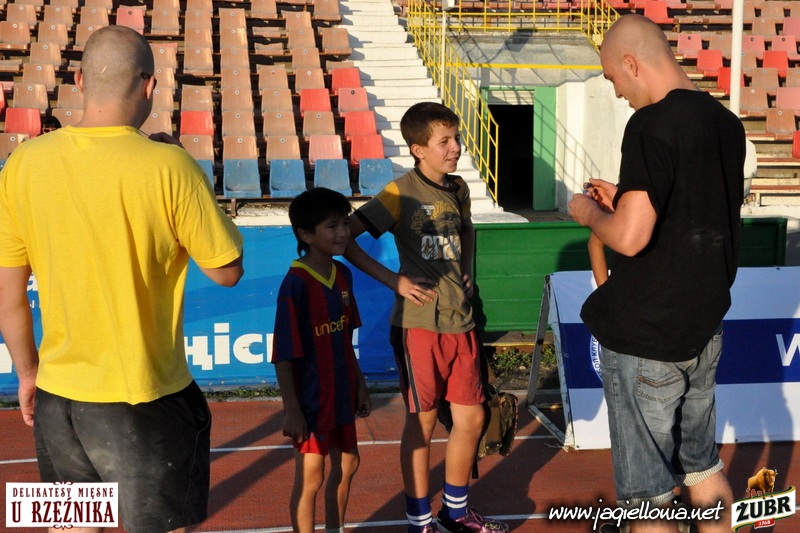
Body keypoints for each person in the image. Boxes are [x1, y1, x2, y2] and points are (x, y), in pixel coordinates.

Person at [0, 26, 244, 533]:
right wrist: (190, 171)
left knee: (71, 526)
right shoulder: (170, 165)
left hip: (58, 396)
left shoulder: (23, 163)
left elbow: (9, 295)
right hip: (144, 395)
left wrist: (27, 374)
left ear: (79, 80)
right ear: (150, 86)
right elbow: (227, 271)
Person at [569, 14, 745, 533]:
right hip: (703, 325)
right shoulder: (725, 122)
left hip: (648, 331)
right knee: (703, 467)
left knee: (647, 497)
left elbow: (629, 237)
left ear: (631, 63)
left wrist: (586, 211)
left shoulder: (650, 124)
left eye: (612, 77)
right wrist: (624, 198)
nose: (617, 92)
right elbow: (691, 210)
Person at [344, 102, 508, 533]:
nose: (456, 148)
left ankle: (455, 512)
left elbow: (468, 229)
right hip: (419, 325)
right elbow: (345, 238)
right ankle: (419, 520)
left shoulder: (459, 188)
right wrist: (394, 280)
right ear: (418, 149)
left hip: (461, 320)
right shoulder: (399, 192)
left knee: (473, 418)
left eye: (457, 138)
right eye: (445, 141)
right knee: (424, 421)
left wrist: (466, 268)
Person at [271, 187, 371, 533]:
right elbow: (283, 354)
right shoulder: (295, 284)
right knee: (311, 475)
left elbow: (345, 337)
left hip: (341, 392)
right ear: (306, 234)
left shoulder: (343, 275)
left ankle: (334, 528)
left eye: (345, 223)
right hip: (312, 400)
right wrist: (292, 409)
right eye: (332, 226)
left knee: (349, 463)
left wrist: (360, 384)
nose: (342, 232)